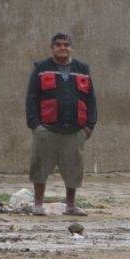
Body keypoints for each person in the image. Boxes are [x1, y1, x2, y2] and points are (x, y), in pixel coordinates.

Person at [25, 32, 96, 216]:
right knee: (40, 168)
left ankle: (70, 205)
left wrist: (89, 127)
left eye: (66, 45)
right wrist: (35, 125)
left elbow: (91, 100)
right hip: (46, 129)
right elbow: (31, 97)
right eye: (58, 45)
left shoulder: (82, 69)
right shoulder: (41, 69)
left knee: (73, 169)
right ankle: (38, 204)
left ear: (71, 47)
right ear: (52, 48)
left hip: (75, 130)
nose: (62, 48)